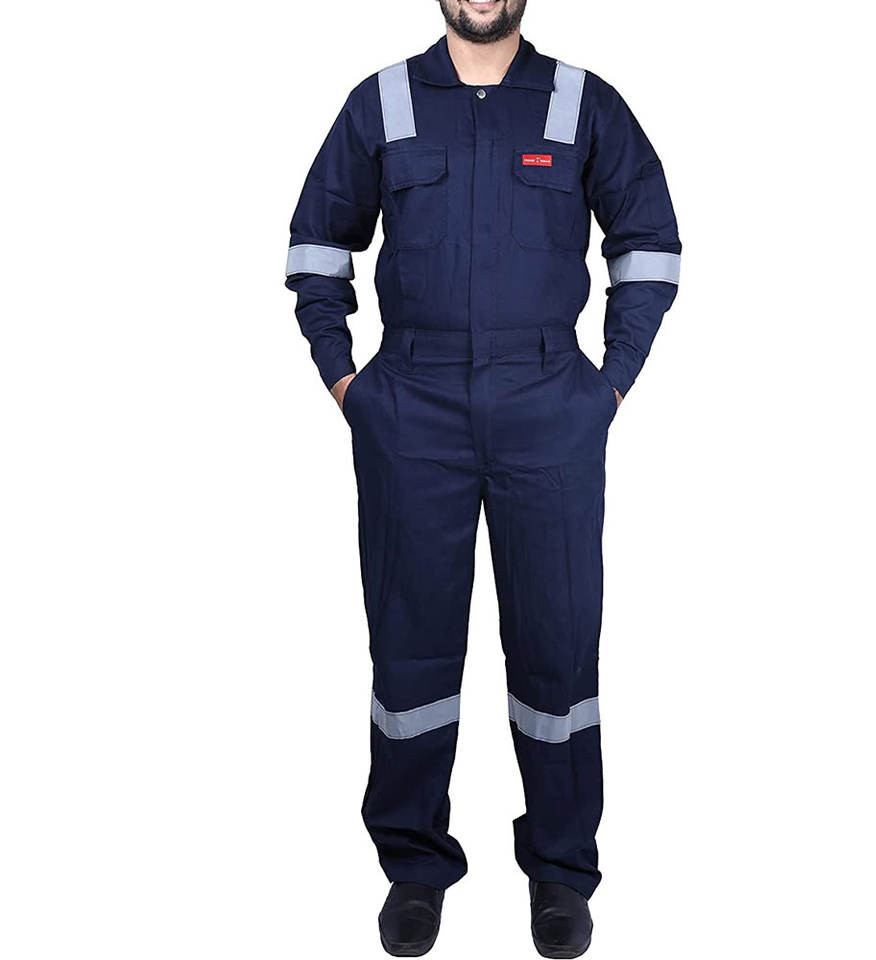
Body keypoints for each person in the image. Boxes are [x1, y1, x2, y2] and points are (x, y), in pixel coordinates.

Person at [285, 1, 681, 955]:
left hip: (548, 402)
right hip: (410, 403)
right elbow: (316, 249)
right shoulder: (382, 102)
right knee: (410, 649)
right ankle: (414, 866)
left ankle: (560, 872)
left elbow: (650, 244)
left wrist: (609, 384)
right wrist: (347, 382)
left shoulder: (582, 102)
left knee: (557, 644)